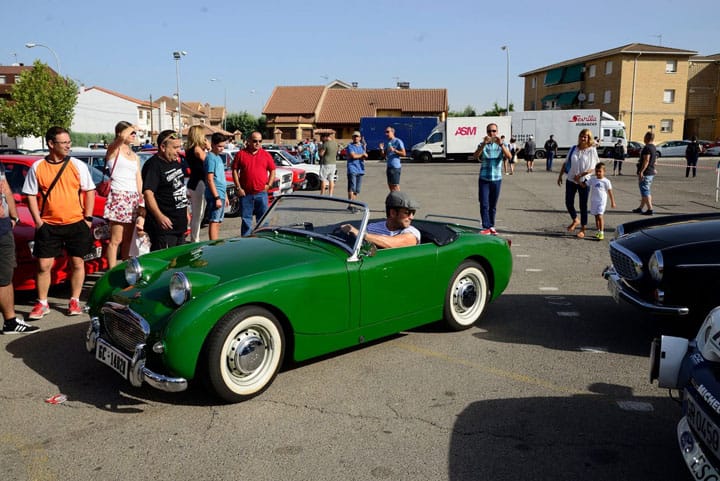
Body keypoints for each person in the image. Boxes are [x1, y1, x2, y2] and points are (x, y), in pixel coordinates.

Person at [23, 126, 96, 318]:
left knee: (77, 263)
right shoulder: (38, 167)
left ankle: (74, 301)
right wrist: (38, 221)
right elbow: (30, 195)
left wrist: (88, 218)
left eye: (69, 142)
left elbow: (90, 190)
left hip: (76, 223)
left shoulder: (77, 165)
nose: (68, 146)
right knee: (43, 266)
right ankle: (42, 303)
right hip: (48, 225)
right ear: (51, 144)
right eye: (64, 143)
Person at [0, 164, 38, 333]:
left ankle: (10, 322)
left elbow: (6, 189)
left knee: (5, 276)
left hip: (3, 229)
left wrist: (14, 216)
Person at [104, 121, 143, 268]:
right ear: (120, 133)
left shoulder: (134, 156)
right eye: (130, 133)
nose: (133, 135)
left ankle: (125, 268)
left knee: (128, 239)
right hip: (119, 196)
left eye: (134, 133)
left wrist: (140, 197)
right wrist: (132, 127)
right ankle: (111, 270)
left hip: (133, 197)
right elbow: (120, 140)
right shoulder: (114, 150)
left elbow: (138, 177)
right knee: (116, 239)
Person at [141, 129, 189, 250]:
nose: (178, 151)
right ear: (163, 147)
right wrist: (159, 216)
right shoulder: (153, 165)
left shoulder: (175, 162)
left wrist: (186, 212)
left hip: (179, 224)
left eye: (180, 147)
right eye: (175, 147)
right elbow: (148, 193)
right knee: (165, 260)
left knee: (179, 259)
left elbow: (180, 188)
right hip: (164, 228)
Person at [557, 128, 599, 239]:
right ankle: (575, 219)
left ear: (589, 138)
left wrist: (580, 175)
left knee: (583, 205)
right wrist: (560, 176)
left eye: (585, 136)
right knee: (568, 202)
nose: (583, 138)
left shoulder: (592, 150)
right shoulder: (573, 149)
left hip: (584, 181)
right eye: (581, 136)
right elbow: (566, 162)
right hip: (571, 179)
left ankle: (583, 229)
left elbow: (593, 168)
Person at [232, 131, 276, 236]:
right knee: (246, 220)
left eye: (260, 141)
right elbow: (234, 170)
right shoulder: (241, 154)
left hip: (261, 193)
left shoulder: (266, 155)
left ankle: (263, 240)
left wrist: (269, 185)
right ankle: (246, 241)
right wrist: (238, 188)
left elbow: (273, 170)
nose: (258, 143)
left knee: (263, 220)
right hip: (246, 194)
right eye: (255, 141)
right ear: (249, 141)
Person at [341, 191, 421, 249]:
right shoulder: (371, 228)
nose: (411, 217)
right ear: (393, 213)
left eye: (413, 213)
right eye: (407, 213)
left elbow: (394, 243)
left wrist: (360, 234)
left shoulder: (412, 232)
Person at [473, 123, 511, 235]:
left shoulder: (502, 144)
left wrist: (501, 145)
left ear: (497, 132)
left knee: (493, 205)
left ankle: (491, 226)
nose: (492, 133)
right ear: (486, 132)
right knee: (484, 203)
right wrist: (483, 144)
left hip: (496, 178)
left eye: (494, 131)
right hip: (484, 178)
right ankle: (486, 226)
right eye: (489, 131)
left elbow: (509, 156)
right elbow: (475, 156)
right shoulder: (482, 144)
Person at [185, 125, 209, 243]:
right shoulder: (197, 149)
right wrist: (209, 148)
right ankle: (195, 240)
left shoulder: (189, 149)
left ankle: (195, 238)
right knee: (198, 214)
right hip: (199, 183)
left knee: (198, 214)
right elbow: (208, 162)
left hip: (194, 182)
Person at [204, 133, 228, 240]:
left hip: (221, 193)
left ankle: (216, 241)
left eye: (223, 146)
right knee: (214, 220)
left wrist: (225, 195)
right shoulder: (210, 158)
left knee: (218, 220)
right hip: (215, 194)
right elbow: (210, 179)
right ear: (213, 144)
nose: (222, 148)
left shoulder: (218, 157)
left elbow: (221, 178)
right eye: (219, 146)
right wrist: (217, 197)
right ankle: (213, 243)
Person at [589, 162, 616, 240]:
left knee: (600, 216)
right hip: (594, 201)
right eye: (597, 171)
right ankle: (598, 231)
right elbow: (584, 185)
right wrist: (578, 180)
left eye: (600, 171)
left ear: (604, 172)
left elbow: (610, 192)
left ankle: (602, 232)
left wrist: (613, 202)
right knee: (596, 216)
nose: (598, 173)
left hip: (601, 202)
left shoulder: (606, 181)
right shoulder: (593, 179)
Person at [632, 131, 657, 216]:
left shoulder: (647, 148)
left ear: (647, 138)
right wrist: (654, 168)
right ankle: (640, 208)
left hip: (646, 173)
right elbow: (655, 160)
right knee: (644, 191)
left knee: (645, 191)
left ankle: (650, 209)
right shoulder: (653, 147)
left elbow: (646, 160)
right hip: (650, 172)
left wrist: (641, 171)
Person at [379, 127, 406, 191]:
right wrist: (381, 149)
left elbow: (404, 153)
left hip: (395, 168)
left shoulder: (398, 141)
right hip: (389, 167)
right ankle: (393, 197)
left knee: (395, 186)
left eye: (388, 132)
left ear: (392, 132)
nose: (386, 134)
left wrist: (395, 150)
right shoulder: (388, 142)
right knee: (390, 185)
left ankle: (399, 197)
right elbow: (383, 155)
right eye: (385, 132)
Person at [346, 131, 367, 202]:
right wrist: (362, 155)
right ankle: (350, 204)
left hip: (360, 169)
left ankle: (353, 203)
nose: (356, 138)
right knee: (352, 188)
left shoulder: (361, 146)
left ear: (360, 138)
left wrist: (364, 152)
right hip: (352, 169)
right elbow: (353, 156)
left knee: (357, 190)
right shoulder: (350, 146)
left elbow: (365, 156)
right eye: (354, 136)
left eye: (357, 136)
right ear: (352, 138)